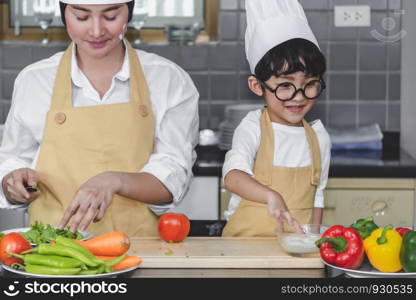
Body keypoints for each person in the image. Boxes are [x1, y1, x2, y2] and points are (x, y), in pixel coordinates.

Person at [0, 0, 199, 237]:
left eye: (111, 16)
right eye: (82, 17)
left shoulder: (168, 79)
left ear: (129, 12)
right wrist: (13, 182)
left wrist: (114, 181)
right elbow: (13, 159)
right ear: (64, 15)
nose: (96, 30)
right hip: (52, 252)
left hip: (139, 248)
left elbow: (174, 176)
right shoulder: (34, 80)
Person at [221, 0, 331, 237]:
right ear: (257, 86)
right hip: (243, 251)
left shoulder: (318, 138)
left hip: (294, 254)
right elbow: (232, 176)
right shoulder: (253, 128)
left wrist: (313, 243)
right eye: (285, 86)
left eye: (310, 84)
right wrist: (272, 196)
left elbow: (318, 197)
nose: (299, 98)